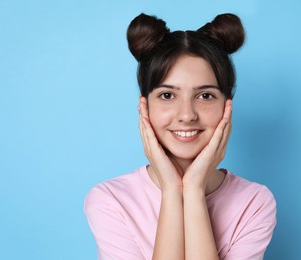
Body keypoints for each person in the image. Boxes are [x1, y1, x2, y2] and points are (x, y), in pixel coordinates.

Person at [84, 13, 276, 260]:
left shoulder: (254, 202)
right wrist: (173, 190)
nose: (187, 115)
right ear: (145, 106)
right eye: (167, 95)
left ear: (227, 106)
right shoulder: (110, 201)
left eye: (205, 95)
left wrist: (194, 190)